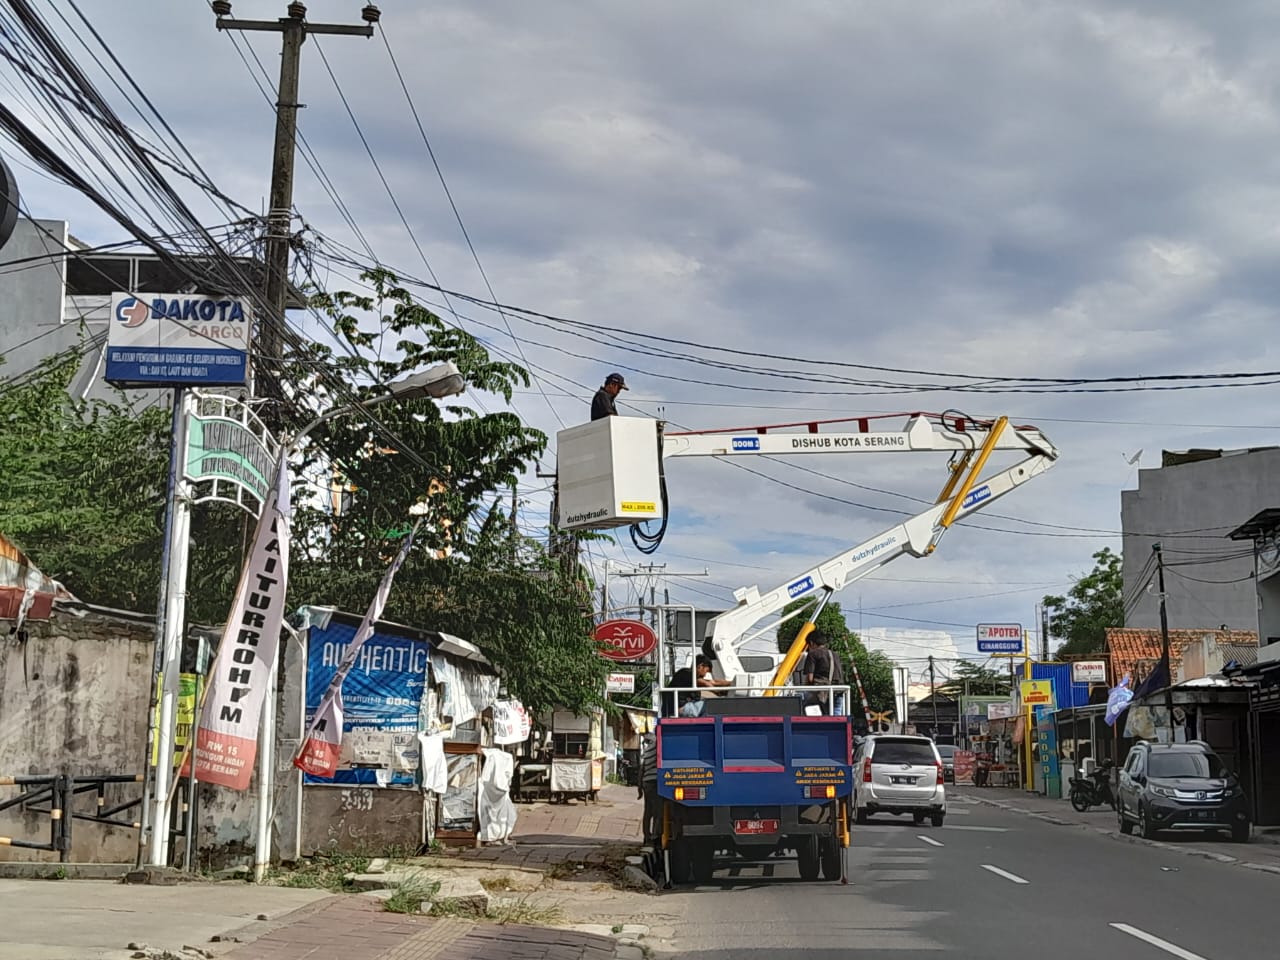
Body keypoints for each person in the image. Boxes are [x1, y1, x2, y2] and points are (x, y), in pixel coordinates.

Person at [662, 655, 732, 717]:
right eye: (706, 671)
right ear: (700, 666)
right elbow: (706, 683)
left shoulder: (689, 675)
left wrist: (731, 683)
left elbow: (713, 682)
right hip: (680, 709)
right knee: (711, 704)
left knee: (705, 703)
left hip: (681, 708)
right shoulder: (686, 674)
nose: (704, 675)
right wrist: (718, 692)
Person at [803, 631, 842, 715]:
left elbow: (810, 678)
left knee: (802, 701)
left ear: (811, 643)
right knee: (837, 718)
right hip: (838, 691)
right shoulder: (835, 654)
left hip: (821, 692)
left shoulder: (812, 654)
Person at [637, 730, 659, 846]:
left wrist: (639, 787)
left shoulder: (647, 751)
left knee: (648, 811)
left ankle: (646, 836)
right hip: (655, 782)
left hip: (646, 782)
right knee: (657, 811)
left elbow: (641, 769)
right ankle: (655, 836)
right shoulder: (657, 746)